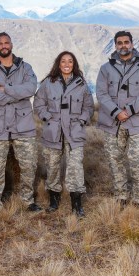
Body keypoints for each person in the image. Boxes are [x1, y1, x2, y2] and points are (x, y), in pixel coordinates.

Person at [0, 32, 41, 214]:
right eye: (0, 43)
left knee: (29, 164)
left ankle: (27, 201)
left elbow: (31, 88)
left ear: (12, 44)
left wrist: (6, 89)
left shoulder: (25, 67)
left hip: (22, 124)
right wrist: (17, 94)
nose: (4, 46)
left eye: (6, 42)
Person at [96, 30, 139, 206]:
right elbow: (101, 93)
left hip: (136, 121)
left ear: (132, 44)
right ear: (115, 45)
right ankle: (121, 196)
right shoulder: (105, 69)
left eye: (126, 42)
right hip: (111, 122)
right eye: (120, 43)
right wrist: (116, 112)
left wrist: (129, 111)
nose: (123, 45)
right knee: (115, 160)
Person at [34, 51, 94, 216]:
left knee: (75, 167)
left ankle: (77, 204)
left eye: (70, 61)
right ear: (58, 64)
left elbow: (89, 107)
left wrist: (82, 120)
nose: (67, 64)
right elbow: (38, 104)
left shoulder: (81, 84)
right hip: (53, 131)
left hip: (74, 132)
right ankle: (54, 199)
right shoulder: (48, 83)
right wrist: (47, 117)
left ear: (74, 64)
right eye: (63, 61)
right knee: (52, 166)